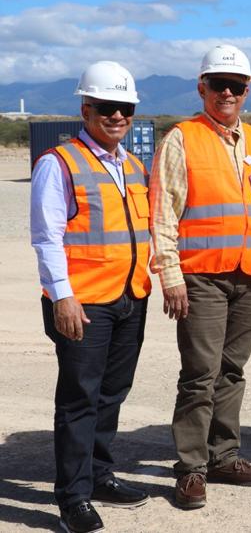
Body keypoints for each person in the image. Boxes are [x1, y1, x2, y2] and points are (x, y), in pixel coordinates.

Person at [149, 45, 251, 510]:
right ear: (202, 87)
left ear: (248, 91)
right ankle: (191, 469)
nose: (227, 92)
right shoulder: (182, 139)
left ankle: (224, 456)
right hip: (202, 277)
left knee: (232, 371)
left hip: (250, 276)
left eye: (236, 85)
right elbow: (163, 212)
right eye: (218, 84)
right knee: (200, 374)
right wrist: (169, 273)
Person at [31, 62, 151, 533]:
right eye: (107, 107)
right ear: (87, 109)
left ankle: (100, 475)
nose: (117, 115)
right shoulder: (57, 164)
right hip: (83, 304)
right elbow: (46, 237)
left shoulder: (134, 166)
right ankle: (74, 497)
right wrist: (62, 297)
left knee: (112, 395)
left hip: (128, 297)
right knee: (80, 399)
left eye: (125, 108)